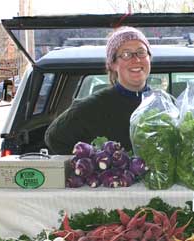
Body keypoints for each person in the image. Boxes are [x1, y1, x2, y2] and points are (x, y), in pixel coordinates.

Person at [44, 26, 151, 154]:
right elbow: (54, 138)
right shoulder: (92, 107)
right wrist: (91, 164)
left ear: (149, 58)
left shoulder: (165, 104)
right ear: (113, 64)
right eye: (126, 54)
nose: (136, 59)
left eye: (141, 52)